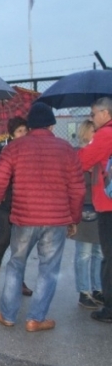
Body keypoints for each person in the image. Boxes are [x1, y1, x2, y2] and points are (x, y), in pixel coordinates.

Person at [0, 102, 84, 332]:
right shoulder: (66, 149)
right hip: (56, 220)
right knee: (49, 269)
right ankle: (36, 319)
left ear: (30, 126)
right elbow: (78, 189)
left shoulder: (15, 147)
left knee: (15, 264)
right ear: (52, 125)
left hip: (24, 218)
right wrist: (74, 218)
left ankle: (9, 315)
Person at [0, 117, 34, 297]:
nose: (24, 134)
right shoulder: (4, 151)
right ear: (11, 134)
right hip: (4, 205)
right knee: (3, 240)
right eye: (20, 131)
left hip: (23, 203)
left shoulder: (31, 152)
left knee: (21, 245)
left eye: (25, 130)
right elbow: (1, 177)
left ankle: (18, 280)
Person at [77, 97, 112, 323]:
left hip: (108, 206)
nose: (91, 118)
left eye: (93, 114)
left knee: (109, 258)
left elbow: (82, 160)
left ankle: (109, 308)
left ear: (105, 113)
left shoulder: (106, 134)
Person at [72, 120, 104, 309]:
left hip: (100, 206)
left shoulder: (102, 153)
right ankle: (84, 291)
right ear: (86, 132)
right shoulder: (78, 154)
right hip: (84, 207)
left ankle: (98, 288)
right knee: (84, 252)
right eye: (94, 131)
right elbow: (76, 181)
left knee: (99, 251)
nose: (97, 133)